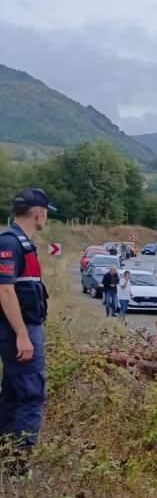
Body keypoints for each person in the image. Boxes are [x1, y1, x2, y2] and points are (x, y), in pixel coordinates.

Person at [0, 188, 55, 471]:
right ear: (38, 213)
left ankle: (6, 457)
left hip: (23, 329)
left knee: (12, 392)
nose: (46, 217)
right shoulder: (10, 242)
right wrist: (22, 334)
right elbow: (5, 291)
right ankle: (17, 466)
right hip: (19, 332)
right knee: (31, 394)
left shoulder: (22, 243)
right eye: (45, 212)